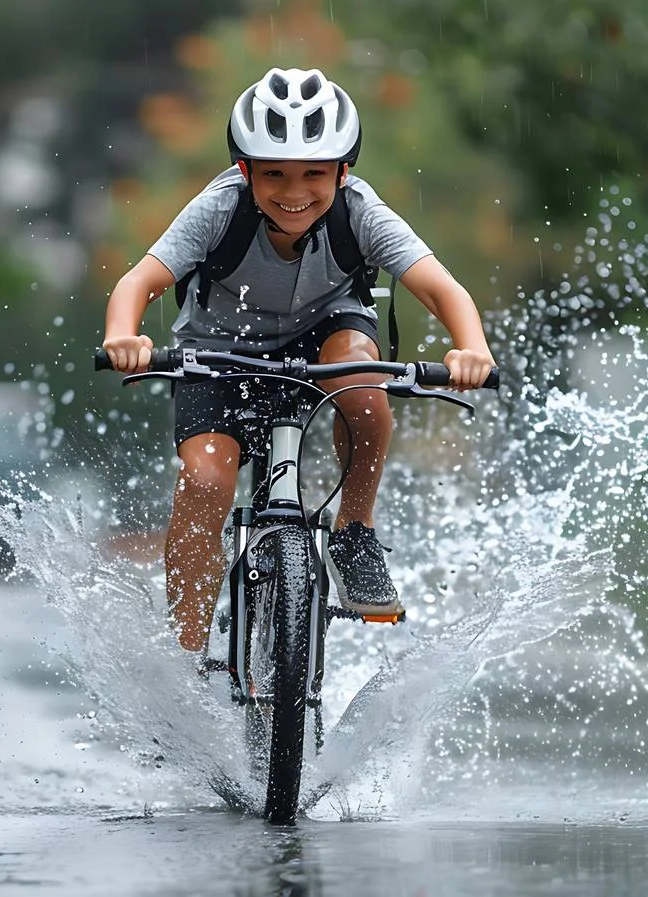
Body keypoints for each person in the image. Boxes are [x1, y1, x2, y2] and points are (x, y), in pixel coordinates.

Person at [101, 67, 495, 656]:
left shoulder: (361, 212)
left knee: (364, 379)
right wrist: (122, 336)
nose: (295, 191)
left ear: (343, 171)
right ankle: (181, 658)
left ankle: (354, 533)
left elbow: (443, 289)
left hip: (325, 339)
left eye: (314, 173)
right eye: (274, 175)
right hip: (218, 352)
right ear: (245, 171)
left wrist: (471, 347)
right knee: (207, 479)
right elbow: (139, 282)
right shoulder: (217, 210)